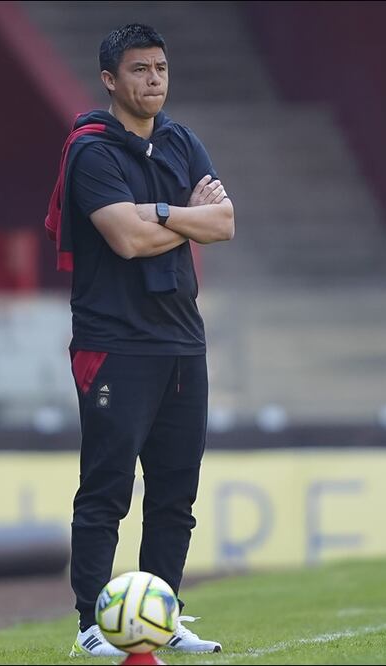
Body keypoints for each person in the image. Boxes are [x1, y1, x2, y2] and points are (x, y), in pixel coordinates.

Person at [44, 23, 234, 658]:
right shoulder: (92, 151)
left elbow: (226, 222)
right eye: (138, 70)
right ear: (109, 80)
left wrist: (153, 215)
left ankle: (161, 614)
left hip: (182, 340)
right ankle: (90, 625)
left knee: (176, 492)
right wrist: (184, 216)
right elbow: (125, 239)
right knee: (106, 489)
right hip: (114, 343)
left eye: (160, 68)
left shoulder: (182, 141)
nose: (153, 81)